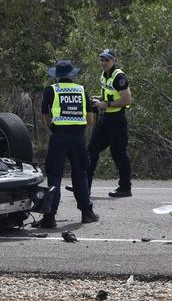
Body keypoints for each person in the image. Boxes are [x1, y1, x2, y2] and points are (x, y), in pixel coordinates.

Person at [33, 60, 99, 228]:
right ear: (72, 75)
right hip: (78, 138)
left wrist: (54, 127)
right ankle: (87, 213)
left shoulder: (51, 91)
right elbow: (90, 119)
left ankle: (50, 217)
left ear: (57, 76)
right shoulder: (82, 90)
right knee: (80, 175)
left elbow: (46, 117)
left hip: (59, 137)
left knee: (54, 176)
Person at [88, 48, 133, 197]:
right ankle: (83, 185)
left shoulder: (118, 76)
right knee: (91, 149)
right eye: (102, 59)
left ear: (113, 60)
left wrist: (105, 104)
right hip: (105, 119)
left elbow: (126, 100)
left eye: (107, 60)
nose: (104, 63)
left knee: (118, 153)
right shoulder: (104, 75)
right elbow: (107, 94)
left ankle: (125, 188)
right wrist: (98, 99)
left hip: (117, 120)